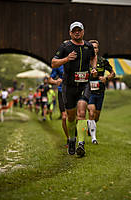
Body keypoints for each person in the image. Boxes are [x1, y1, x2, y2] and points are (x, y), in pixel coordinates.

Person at [51, 21, 97, 157]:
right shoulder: (65, 46)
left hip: (84, 84)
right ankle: (72, 139)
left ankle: (81, 144)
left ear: (83, 31)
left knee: (82, 113)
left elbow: (93, 57)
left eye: (79, 30)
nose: (77, 32)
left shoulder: (89, 46)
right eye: (74, 30)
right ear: (70, 33)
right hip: (68, 86)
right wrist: (66, 59)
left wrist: (93, 68)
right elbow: (53, 63)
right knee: (70, 117)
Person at [87, 40, 115, 144]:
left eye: (96, 47)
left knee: (96, 117)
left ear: (98, 49)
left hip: (100, 92)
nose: (94, 49)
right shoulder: (85, 60)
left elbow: (113, 73)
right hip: (88, 92)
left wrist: (106, 78)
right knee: (91, 112)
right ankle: (94, 139)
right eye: (92, 47)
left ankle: (89, 126)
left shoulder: (103, 61)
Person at [48, 64, 69, 146]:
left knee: (75, 117)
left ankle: (75, 136)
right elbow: (50, 79)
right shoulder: (58, 64)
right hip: (61, 92)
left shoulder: (75, 61)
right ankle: (69, 139)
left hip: (73, 92)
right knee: (64, 117)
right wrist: (56, 81)